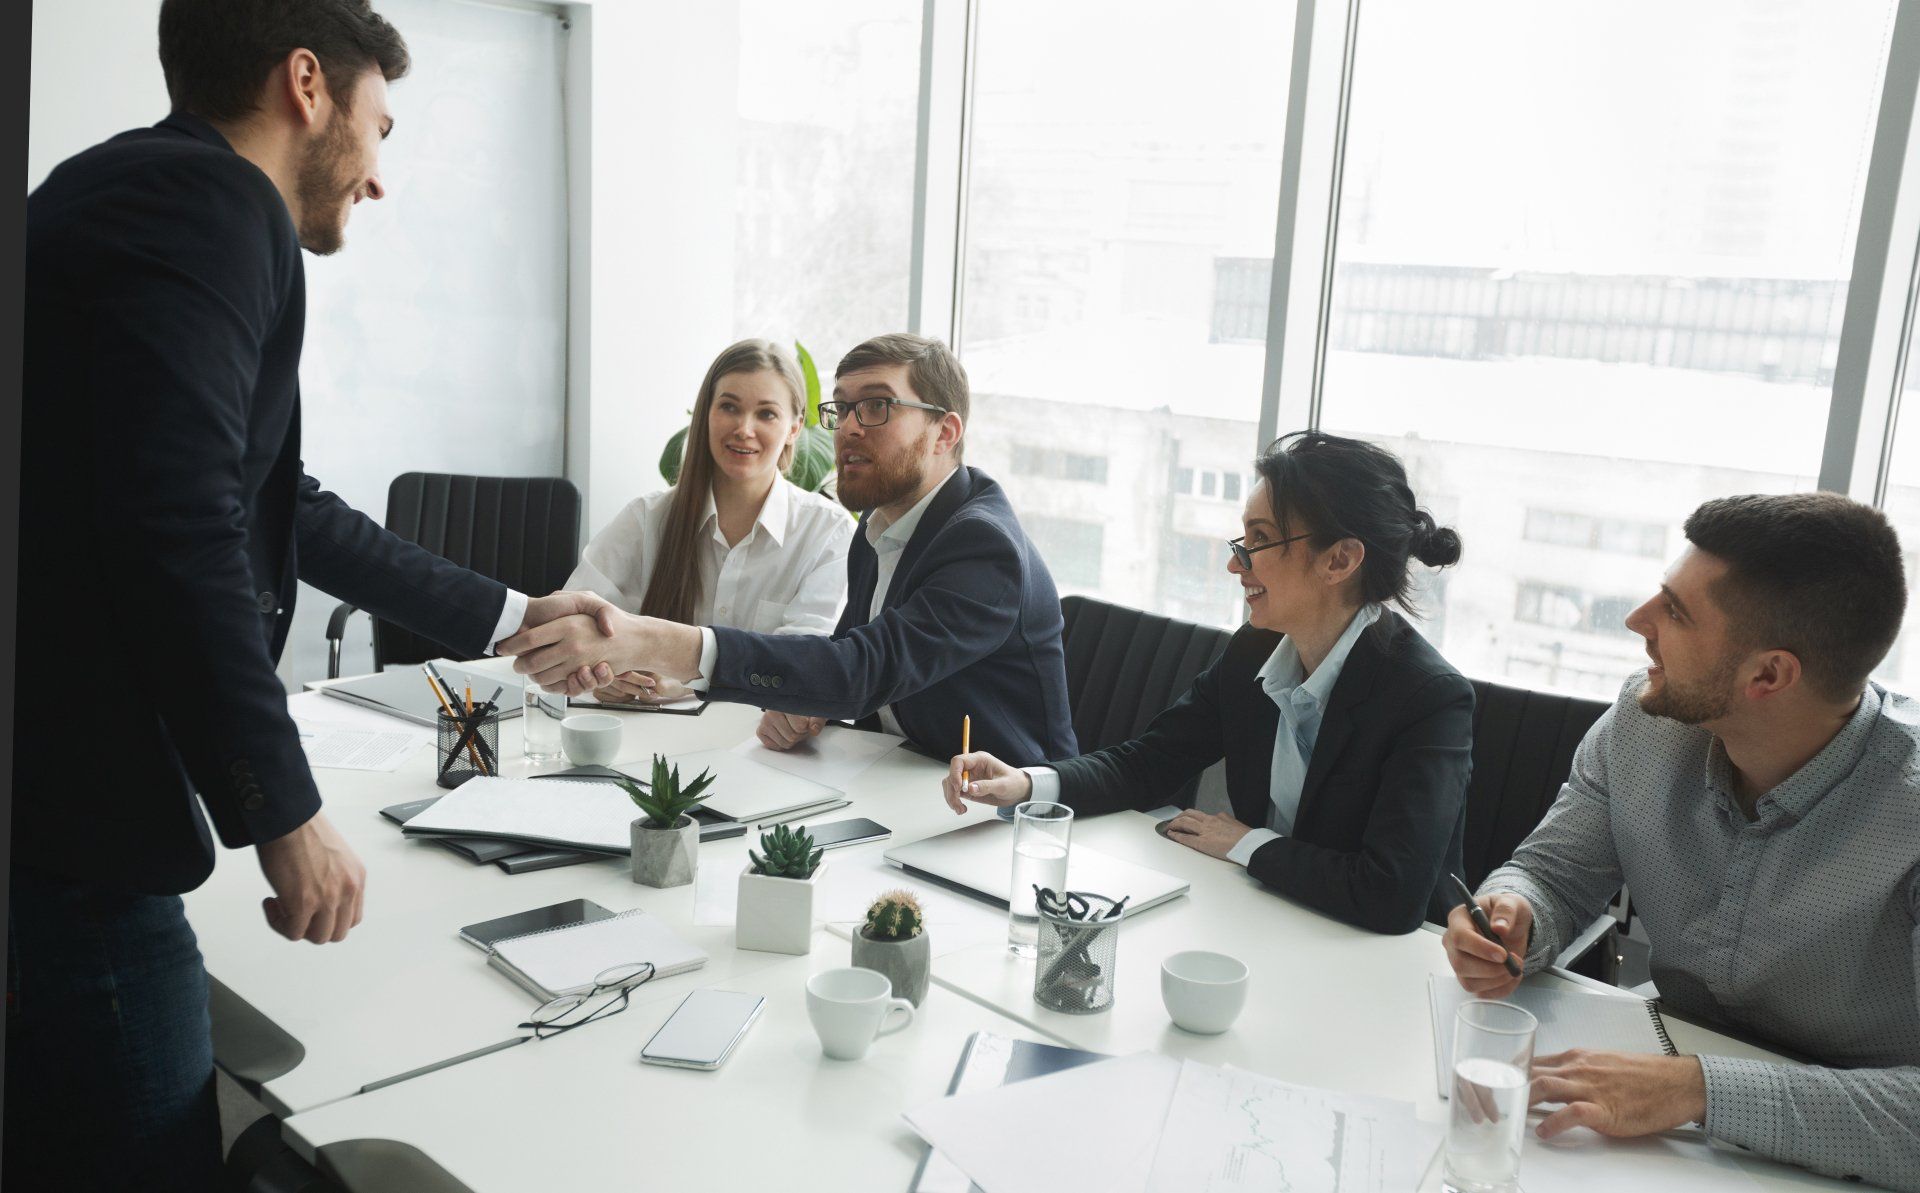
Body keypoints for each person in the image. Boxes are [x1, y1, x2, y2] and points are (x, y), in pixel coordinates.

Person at [10, 3, 593, 1187]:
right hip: (72, 842)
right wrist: (282, 812)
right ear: (308, 85)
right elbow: (177, 523)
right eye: (383, 127)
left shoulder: (110, 186)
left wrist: (506, 613)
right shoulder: (213, 206)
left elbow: (284, 501)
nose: (378, 178)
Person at [1442, 492, 1920, 1191]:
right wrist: (1514, 912)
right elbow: (1550, 871)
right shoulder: (1640, 723)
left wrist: (1697, 1091)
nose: (1638, 621)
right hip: (1657, 1140)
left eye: (1675, 611)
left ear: (1769, 675)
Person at [942, 431, 1473, 934]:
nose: (1233, 564)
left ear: (1340, 559)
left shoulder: (1428, 697)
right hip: (1268, 919)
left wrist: (1247, 845)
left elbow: (1392, 893)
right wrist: (1029, 785)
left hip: (1379, 961)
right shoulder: (1255, 650)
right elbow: (1148, 763)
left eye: (1259, 541)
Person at [504, 333, 1078, 766]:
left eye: (876, 406)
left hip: (999, 808)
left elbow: (861, 671)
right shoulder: (877, 528)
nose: (850, 427)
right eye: (845, 407)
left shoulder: (982, 544)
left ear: (945, 433)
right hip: (895, 774)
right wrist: (808, 705)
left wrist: (656, 643)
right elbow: (852, 671)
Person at [565, 338, 852, 705]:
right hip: (641, 740)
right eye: (729, 407)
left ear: (794, 429)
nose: (744, 429)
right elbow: (575, 618)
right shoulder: (646, 518)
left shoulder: (829, 533)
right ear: (706, 415)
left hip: (761, 750)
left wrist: (689, 678)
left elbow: (804, 665)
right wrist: (598, 672)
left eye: (766, 414)